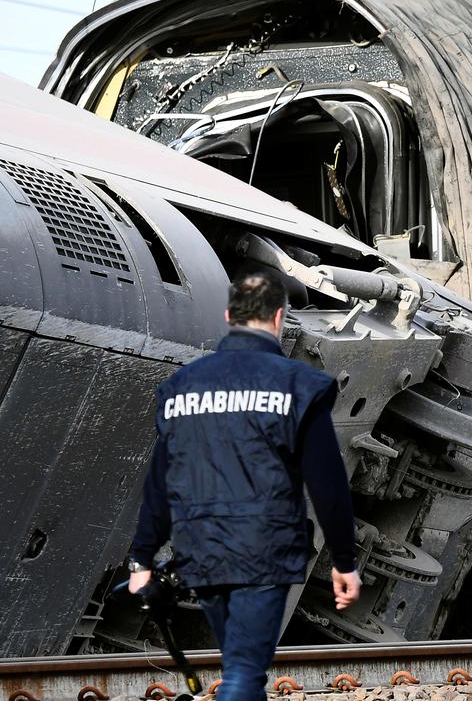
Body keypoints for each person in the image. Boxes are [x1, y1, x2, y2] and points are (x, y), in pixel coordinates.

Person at [128, 270, 361, 701]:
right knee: (243, 673)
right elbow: (327, 483)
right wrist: (344, 561)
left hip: (201, 551)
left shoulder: (181, 388)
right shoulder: (298, 386)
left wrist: (141, 560)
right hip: (264, 549)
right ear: (278, 317)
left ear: (228, 316)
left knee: (237, 660)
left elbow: (161, 481)